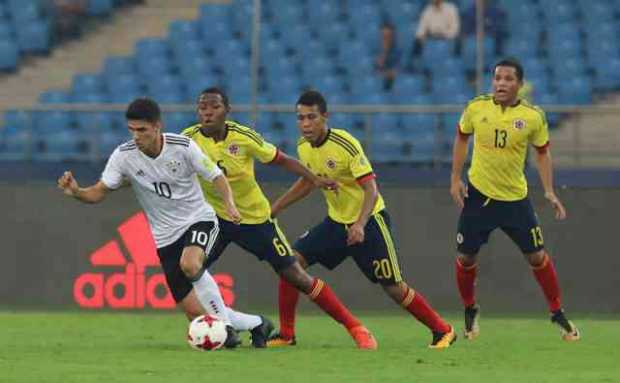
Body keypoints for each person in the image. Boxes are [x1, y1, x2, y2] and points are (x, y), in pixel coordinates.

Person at [57, 97, 273, 348]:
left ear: (157, 126)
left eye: (142, 130)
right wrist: (77, 192)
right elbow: (98, 192)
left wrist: (229, 204)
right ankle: (257, 323)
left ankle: (224, 329)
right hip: (164, 237)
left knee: (190, 265)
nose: (136, 136)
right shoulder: (124, 156)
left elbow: (215, 176)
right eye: (132, 130)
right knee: (198, 316)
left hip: (198, 220)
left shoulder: (183, 146)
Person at [181, 88, 378, 350]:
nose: (207, 112)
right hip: (215, 220)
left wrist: (315, 179)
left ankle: (355, 328)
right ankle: (233, 326)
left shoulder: (244, 137)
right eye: (202, 107)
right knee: (189, 269)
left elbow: (282, 160)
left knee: (296, 275)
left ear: (227, 111)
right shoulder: (187, 141)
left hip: (254, 220)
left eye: (214, 107)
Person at [266, 90, 457, 349]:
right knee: (290, 264)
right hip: (336, 223)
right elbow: (308, 181)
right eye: (300, 118)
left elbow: (371, 189)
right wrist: (275, 208)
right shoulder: (303, 147)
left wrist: (359, 224)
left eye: (311, 117)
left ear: (325, 117)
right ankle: (287, 334)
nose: (306, 124)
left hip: (369, 221)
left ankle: (442, 330)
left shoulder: (346, 144)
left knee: (393, 287)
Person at [450, 58, 580, 341]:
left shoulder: (533, 117)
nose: (501, 83)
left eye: (508, 79)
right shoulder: (476, 107)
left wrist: (548, 190)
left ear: (519, 85)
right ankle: (470, 309)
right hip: (479, 196)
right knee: (465, 256)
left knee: (537, 256)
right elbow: (461, 138)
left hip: (515, 201)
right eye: (497, 78)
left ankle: (557, 312)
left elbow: (542, 153)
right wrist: (455, 178)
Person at [375, 23, 401, 91]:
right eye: (384, 36)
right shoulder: (375, 51)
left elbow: (398, 72)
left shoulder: (399, 52)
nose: (386, 38)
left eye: (389, 36)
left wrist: (383, 72)